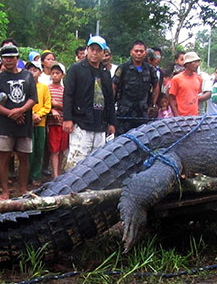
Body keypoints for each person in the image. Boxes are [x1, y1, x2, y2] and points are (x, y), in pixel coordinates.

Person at [0, 44, 37, 199]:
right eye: (5, 58)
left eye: (11, 57)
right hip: (5, 123)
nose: (8, 61)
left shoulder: (28, 76)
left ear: (17, 58)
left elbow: (32, 98)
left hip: (25, 122)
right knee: (4, 156)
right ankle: (5, 190)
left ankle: (23, 189)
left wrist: (21, 110)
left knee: (24, 156)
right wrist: (11, 113)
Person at [63, 36, 116, 170]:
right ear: (87, 50)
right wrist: (67, 118)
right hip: (81, 122)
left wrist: (112, 122)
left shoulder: (105, 73)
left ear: (104, 53)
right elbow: (68, 94)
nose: (95, 53)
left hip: (100, 124)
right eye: (92, 49)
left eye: (98, 50)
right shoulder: (76, 69)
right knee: (76, 163)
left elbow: (109, 99)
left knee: (96, 165)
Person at [113, 40, 159, 134]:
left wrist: (152, 104)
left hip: (142, 112)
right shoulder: (123, 68)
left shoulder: (150, 69)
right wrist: (111, 105)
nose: (138, 53)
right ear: (131, 52)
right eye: (136, 51)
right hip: (125, 113)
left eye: (141, 51)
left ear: (145, 53)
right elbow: (114, 86)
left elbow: (156, 85)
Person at [25, 60, 50, 184]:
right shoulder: (25, 86)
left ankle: (36, 175)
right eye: (30, 70)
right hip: (27, 122)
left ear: (40, 72)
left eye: (35, 70)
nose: (32, 72)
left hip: (40, 123)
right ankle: (26, 175)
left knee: (39, 149)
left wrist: (38, 115)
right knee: (29, 150)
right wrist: (31, 115)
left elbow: (47, 105)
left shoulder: (44, 88)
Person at [168, 51, 208, 116]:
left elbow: (195, 97)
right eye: (194, 62)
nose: (197, 64)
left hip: (195, 117)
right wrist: (177, 116)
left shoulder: (199, 79)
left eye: (198, 62)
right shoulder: (177, 79)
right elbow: (171, 99)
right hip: (181, 116)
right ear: (187, 64)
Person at [46, 62, 68, 178]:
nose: (55, 75)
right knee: (54, 150)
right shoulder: (47, 89)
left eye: (57, 73)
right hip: (52, 123)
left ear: (62, 75)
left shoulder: (65, 90)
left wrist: (57, 106)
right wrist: (51, 109)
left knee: (62, 149)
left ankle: (59, 172)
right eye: (53, 73)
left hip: (63, 122)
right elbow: (45, 103)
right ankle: (55, 174)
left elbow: (68, 106)